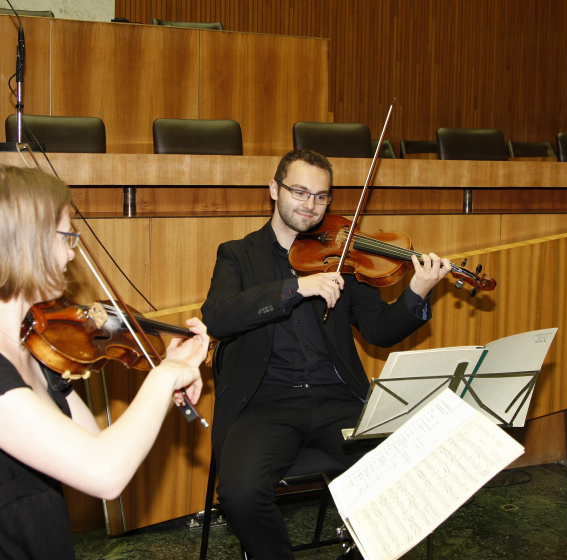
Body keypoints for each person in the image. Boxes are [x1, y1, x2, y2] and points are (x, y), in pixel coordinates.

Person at [201, 148, 451, 559]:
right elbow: (219, 317)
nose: (310, 204)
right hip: (265, 403)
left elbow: (378, 330)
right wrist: (297, 288)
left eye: (321, 196)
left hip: (337, 400)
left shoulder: (344, 255)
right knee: (241, 492)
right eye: (300, 192)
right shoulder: (238, 254)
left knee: (411, 475)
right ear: (273, 189)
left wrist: (416, 293)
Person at [0, 166, 210, 559]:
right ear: (26, 242)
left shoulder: (33, 350)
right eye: (66, 236)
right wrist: (163, 377)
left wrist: (170, 373)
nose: (71, 251)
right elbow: (104, 473)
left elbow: (98, 444)